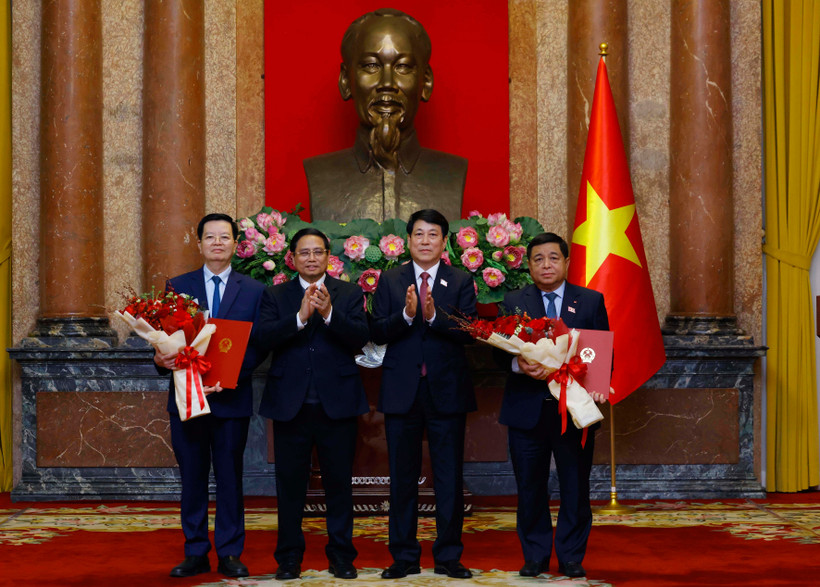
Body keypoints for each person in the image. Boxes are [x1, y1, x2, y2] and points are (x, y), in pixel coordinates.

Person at [252, 228, 370, 581]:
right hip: (291, 404)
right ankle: (289, 558)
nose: (311, 258)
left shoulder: (348, 292)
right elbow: (263, 338)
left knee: (339, 485)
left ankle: (342, 556)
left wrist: (330, 312)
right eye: (304, 252)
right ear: (292, 257)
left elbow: (360, 337)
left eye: (318, 252)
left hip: (338, 404)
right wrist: (300, 318)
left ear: (328, 256)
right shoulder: (275, 295)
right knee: (289, 487)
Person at [155, 213, 265, 579]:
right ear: (198, 242)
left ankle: (231, 552)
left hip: (230, 399)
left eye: (225, 237)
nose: (217, 243)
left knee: (231, 477)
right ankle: (196, 551)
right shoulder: (177, 287)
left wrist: (228, 377)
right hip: (187, 398)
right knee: (193, 476)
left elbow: (258, 346)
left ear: (236, 244)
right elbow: (165, 340)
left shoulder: (253, 290)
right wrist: (161, 358)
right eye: (210, 237)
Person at [370, 208, 477, 579]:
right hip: (403, 391)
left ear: (444, 242)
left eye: (433, 235)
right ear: (408, 240)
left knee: (449, 477)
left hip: (446, 390)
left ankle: (448, 557)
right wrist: (406, 314)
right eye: (419, 234)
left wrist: (433, 317)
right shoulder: (390, 279)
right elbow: (379, 330)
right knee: (402, 477)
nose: (426, 241)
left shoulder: (461, 280)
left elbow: (469, 330)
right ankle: (404, 556)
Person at [498, 232, 609, 579]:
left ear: (565, 262)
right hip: (527, 410)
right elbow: (496, 352)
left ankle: (572, 556)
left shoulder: (589, 301)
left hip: (574, 411)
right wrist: (520, 365)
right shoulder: (513, 301)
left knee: (575, 487)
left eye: (553, 258)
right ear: (529, 265)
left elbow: (600, 351)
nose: (546, 265)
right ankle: (535, 556)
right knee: (530, 487)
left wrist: (600, 385)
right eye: (538, 259)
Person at [304, 8, 466, 223]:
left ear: (426, 82)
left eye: (403, 66)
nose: (387, 83)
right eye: (371, 66)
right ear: (345, 80)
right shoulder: (320, 174)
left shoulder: (453, 172)